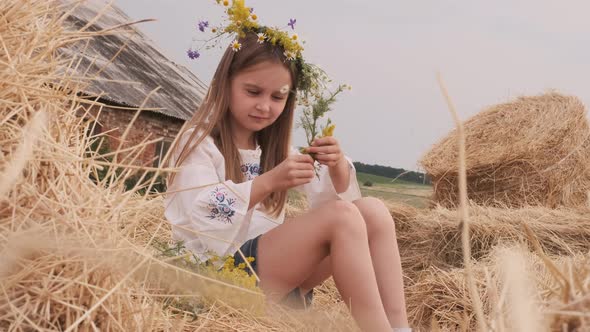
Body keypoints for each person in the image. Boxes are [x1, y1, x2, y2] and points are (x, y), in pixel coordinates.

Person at [164, 6, 410, 331]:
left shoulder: (274, 151)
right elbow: (202, 218)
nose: (265, 106)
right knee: (343, 218)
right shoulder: (199, 142)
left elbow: (334, 213)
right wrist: (267, 182)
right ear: (226, 83)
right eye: (253, 92)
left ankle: (400, 327)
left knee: (373, 212)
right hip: (217, 278)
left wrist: (335, 167)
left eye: (278, 97)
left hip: (273, 279)